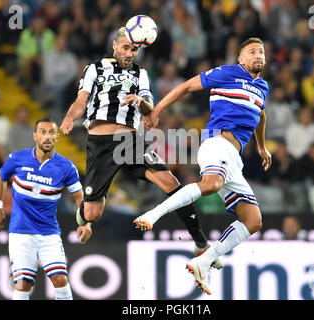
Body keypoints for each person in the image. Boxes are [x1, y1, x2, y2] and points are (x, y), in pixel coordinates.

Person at [59, 27, 222, 267]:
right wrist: (68, 118)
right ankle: (84, 218)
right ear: (114, 46)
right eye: (125, 47)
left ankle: (200, 243)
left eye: (134, 49)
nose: (129, 53)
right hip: (100, 143)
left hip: (129, 141)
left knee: (171, 183)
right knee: (93, 213)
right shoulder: (94, 68)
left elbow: (150, 109)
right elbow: (81, 101)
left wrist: (140, 101)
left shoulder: (140, 74)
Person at [134, 37, 272, 294]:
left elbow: (261, 114)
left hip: (234, 158)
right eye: (252, 51)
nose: (258, 55)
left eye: (261, 52)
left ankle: (203, 261)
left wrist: (261, 146)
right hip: (216, 142)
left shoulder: (262, 87)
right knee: (210, 184)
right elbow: (186, 86)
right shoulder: (226, 73)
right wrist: (157, 110)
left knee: (253, 220)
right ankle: (154, 214)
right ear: (240, 58)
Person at [0, 118, 92, 300]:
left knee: (60, 280)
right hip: (21, 232)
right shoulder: (17, 158)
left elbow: (79, 197)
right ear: (35, 136)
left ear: (57, 137)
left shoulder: (66, 167)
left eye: (51, 132)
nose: (47, 137)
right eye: (42, 132)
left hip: (49, 233)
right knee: (22, 284)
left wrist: (86, 223)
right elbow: (1, 177)